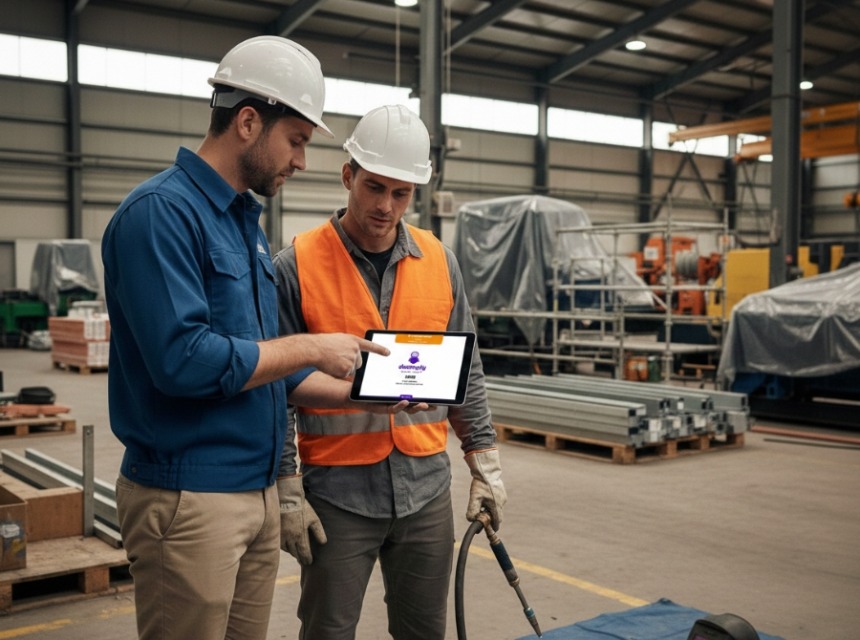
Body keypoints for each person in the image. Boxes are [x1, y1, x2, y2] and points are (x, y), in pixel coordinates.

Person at [101, 37, 411, 640]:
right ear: (248, 122)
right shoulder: (160, 215)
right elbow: (184, 363)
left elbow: (268, 364)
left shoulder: (243, 223)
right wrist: (314, 345)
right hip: (189, 498)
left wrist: (367, 398)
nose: (301, 160)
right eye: (296, 140)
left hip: (257, 493)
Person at [272, 104, 508, 640]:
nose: (385, 206)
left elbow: (465, 371)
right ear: (348, 175)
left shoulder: (439, 260)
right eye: (374, 187)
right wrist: (288, 488)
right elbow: (274, 389)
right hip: (336, 495)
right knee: (328, 631)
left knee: (424, 631)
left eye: (400, 193)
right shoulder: (296, 265)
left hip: (426, 492)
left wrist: (485, 465)